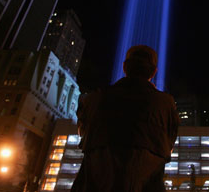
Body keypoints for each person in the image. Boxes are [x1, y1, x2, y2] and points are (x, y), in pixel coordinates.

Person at [71, 45, 179, 192]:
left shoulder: (94, 100)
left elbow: (82, 132)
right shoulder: (166, 104)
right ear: (154, 71)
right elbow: (170, 142)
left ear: (124, 67)